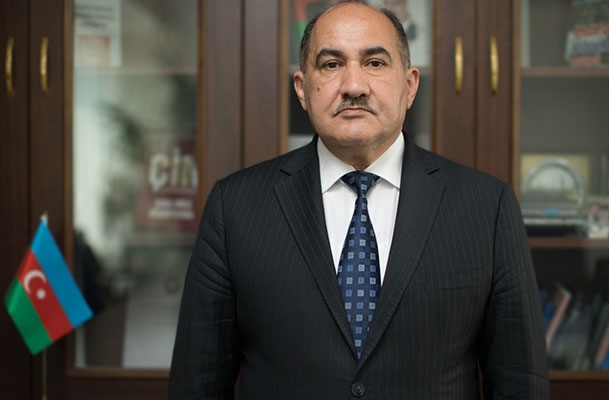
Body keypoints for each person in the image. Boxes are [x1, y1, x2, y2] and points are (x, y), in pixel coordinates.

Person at [169, 1, 550, 399]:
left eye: (375, 63)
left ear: (410, 86)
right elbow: (198, 384)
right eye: (331, 64)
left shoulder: (487, 207)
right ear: (302, 89)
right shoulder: (235, 207)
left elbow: (520, 384)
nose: (354, 85)